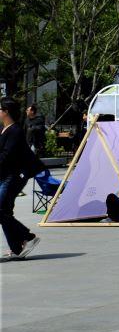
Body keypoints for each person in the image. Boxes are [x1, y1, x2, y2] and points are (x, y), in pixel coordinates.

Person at [0, 98, 44, 260]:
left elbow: (6, 156)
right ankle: (17, 248)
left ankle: (28, 237)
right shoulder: (5, 129)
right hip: (5, 176)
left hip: (13, 176)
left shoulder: (15, 131)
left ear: (6, 112)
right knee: (4, 212)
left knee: (1, 211)